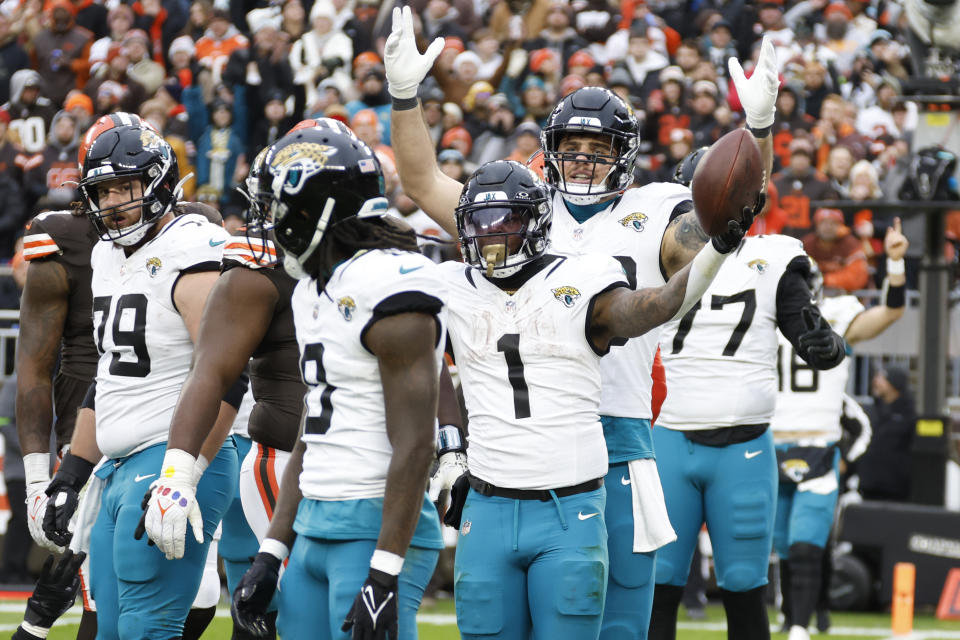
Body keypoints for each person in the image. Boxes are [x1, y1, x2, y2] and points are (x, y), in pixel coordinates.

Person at [384, 6, 780, 637]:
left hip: (618, 438)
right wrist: (405, 96)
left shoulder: (656, 210)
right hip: (515, 446)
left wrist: (757, 131)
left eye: (600, 149)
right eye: (573, 148)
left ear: (626, 155)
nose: (586, 161)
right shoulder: (517, 208)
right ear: (549, 153)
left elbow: (728, 216)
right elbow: (421, 177)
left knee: (620, 624)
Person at [230, 122, 452, 639]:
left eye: (276, 206)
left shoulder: (388, 283)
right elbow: (314, 427)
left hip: (376, 522)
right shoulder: (312, 287)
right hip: (312, 519)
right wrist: (273, 548)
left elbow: (416, 443)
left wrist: (386, 571)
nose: (268, 220)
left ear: (317, 209)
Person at [55, 122, 238, 639]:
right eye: (102, 191)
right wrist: (73, 473)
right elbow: (110, 372)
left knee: (147, 630)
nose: (111, 202)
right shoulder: (105, 255)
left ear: (158, 184)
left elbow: (226, 374)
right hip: (117, 465)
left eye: (124, 188)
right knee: (108, 631)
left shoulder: (194, 246)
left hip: (172, 454)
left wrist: (184, 475)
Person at [648, 187, 848, 639]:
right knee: (658, 588)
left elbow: (806, 329)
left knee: (743, 589)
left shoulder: (770, 259)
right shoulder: (653, 253)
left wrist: (825, 347)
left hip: (742, 447)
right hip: (669, 438)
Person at [139, 144, 305, 640]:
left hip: (295, 447)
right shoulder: (253, 262)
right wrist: (182, 472)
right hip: (266, 448)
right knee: (262, 600)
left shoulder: (376, 263)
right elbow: (220, 375)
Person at [771, 218, 908, 640]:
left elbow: (888, 313)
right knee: (781, 547)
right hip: (768, 444)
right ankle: (790, 616)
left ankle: (799, 624)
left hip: (818, 442)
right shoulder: (760, 311)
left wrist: (896, 265)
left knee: (807, 544)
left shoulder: (838, 312)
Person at [856, 366, 916, 502]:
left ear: (895, 384)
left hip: (897, 492)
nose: (876, 381)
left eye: (882, 378)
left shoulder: (909, 414)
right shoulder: (870, 411)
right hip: (868, 488)